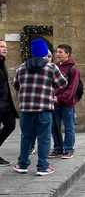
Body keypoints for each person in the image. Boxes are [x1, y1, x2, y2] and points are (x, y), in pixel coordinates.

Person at [13, 39, 68, 175]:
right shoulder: (51, 67)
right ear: (45, 53)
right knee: (44, 138)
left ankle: (22, 164)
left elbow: (15, 85)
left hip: (26, 109)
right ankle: (42, 166)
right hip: (44, 109)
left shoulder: (21, 67)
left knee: (26, 136)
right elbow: (63, 83)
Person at [49, 44, 80, 159]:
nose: (57, 54)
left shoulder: (73, 69)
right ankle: (57, 148)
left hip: (67, 104)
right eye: (57, 52)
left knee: (69, 128)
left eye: (60, 52)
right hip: (55, 103)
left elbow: (72, 88)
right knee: (54, 127)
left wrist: (60, 98)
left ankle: (68, 149)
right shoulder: (55, 67)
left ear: (67, 54)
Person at [0, 39, 19, 166]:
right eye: (1, 47)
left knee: (10, 125)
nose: (5, 49)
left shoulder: (3, 63)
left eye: (5, 46)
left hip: (6, 103)